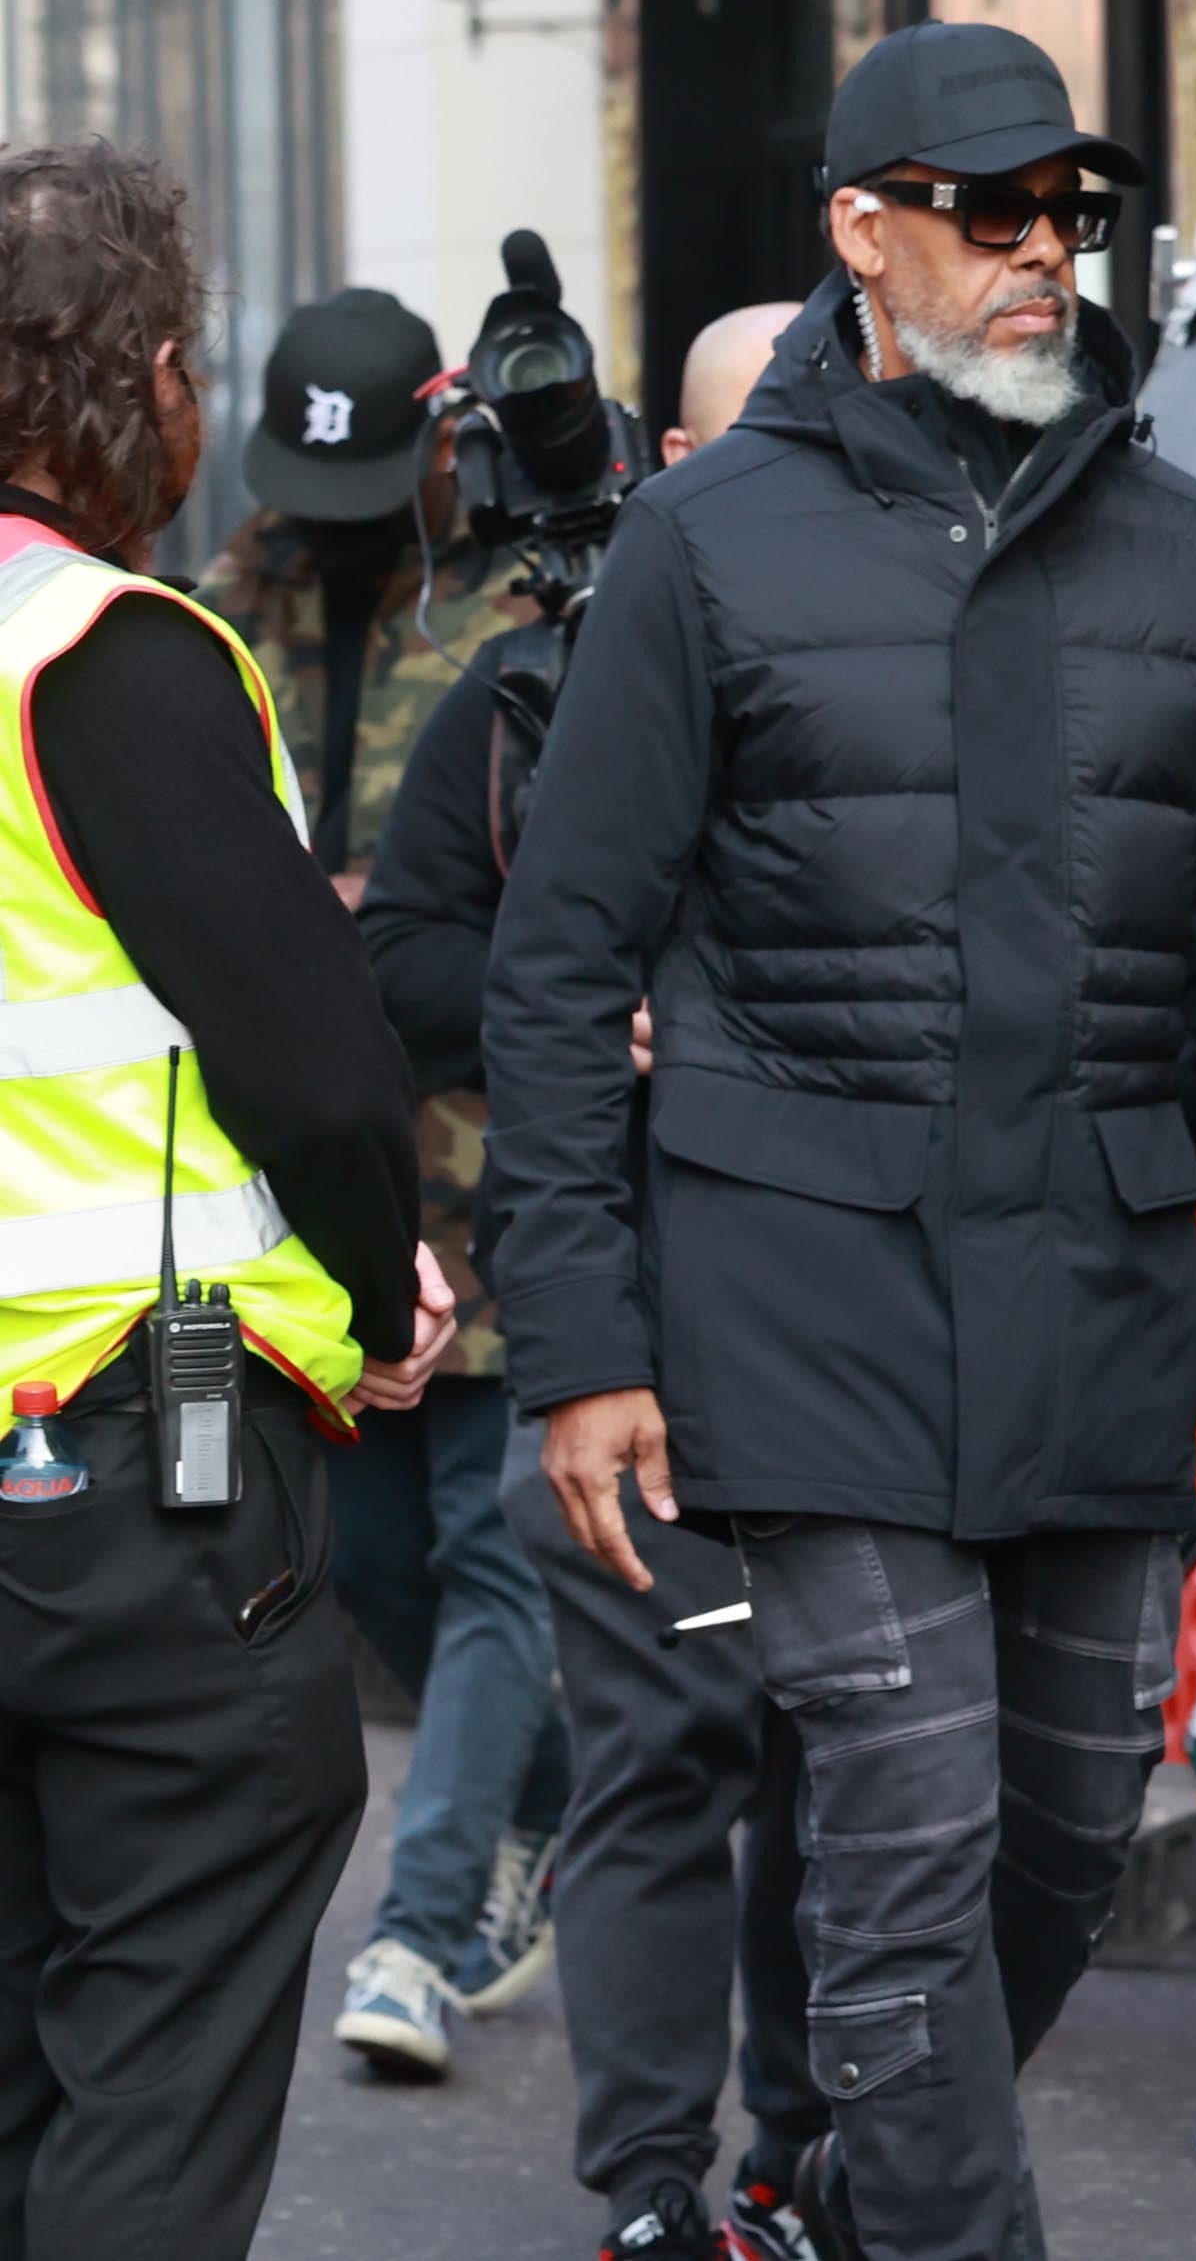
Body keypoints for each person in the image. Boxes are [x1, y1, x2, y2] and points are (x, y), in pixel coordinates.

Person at [482, 21, 1196, 2261]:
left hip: (1089, 1302)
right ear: (859, 230)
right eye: (984, 212)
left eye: (1065, 214)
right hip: (801, 1302)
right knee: (901, 1822)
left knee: (1061, 1836)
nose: (1034, 255)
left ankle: (824, 2175)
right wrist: (584, 1344)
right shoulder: (703, 544)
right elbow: (551, 960)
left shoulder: (1183, 544)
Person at [0, 139, 456, 2253]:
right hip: (138, 1470)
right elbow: (319, 1068)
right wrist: (385, 1291)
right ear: (152, 379)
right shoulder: (115, 654)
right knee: (155, 2056)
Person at [365, 297, 822, 2261]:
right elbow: (408, 965)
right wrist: (593, 1007)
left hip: (866, 1306)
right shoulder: (515, 698)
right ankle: (652, 2183)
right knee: (661, 1739)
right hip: (613, 1282)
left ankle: (810, 2147)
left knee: (845, 1747)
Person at [203, 284, 573, 2077]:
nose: (332, 534)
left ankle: (424, 1931)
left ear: (447, 428)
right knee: (368, 1548)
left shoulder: (529, 590)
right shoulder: (229, 589)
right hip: (303, 1150)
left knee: (492, 1542)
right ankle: (558, 1790)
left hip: (495, 1134)